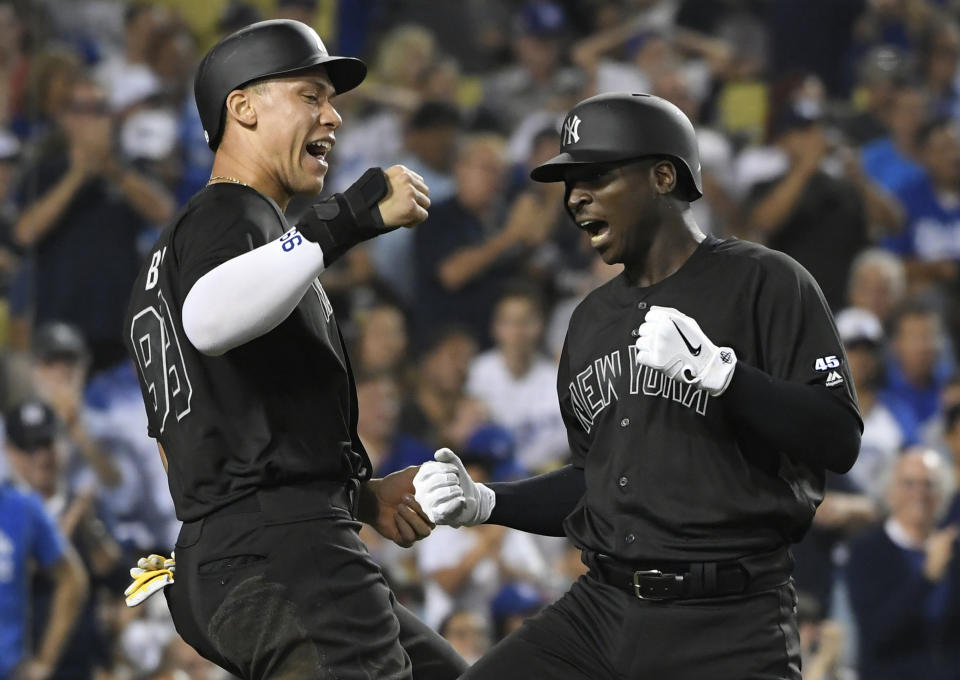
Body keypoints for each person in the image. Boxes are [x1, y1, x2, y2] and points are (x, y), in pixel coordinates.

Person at [415, 92, 862, 680]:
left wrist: (725, 376)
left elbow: (838, 437)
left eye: (596, 176)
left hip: (728, 619)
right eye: (570, 183)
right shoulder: (589, 320)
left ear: (662, 175)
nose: (575, 197)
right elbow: (593, 483)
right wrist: (489, 501)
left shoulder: (766, 280)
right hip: (601, 611)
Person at [121, 20, 464, 680]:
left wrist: (361, 496)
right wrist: (347, 217)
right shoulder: (233, 216)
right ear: (242, 107)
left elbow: (193, 438)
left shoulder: (169, 258)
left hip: (224, 554)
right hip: (282, 548)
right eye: (311, 95)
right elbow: (209, 321)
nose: (332, 116)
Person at [845, 448, 960, 680]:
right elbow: (877, 631)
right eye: (909, 483)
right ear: (889, 492)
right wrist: (927, 579)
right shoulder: (866, 551)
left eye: (929, 484)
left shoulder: (952, 550)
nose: (920, 493)